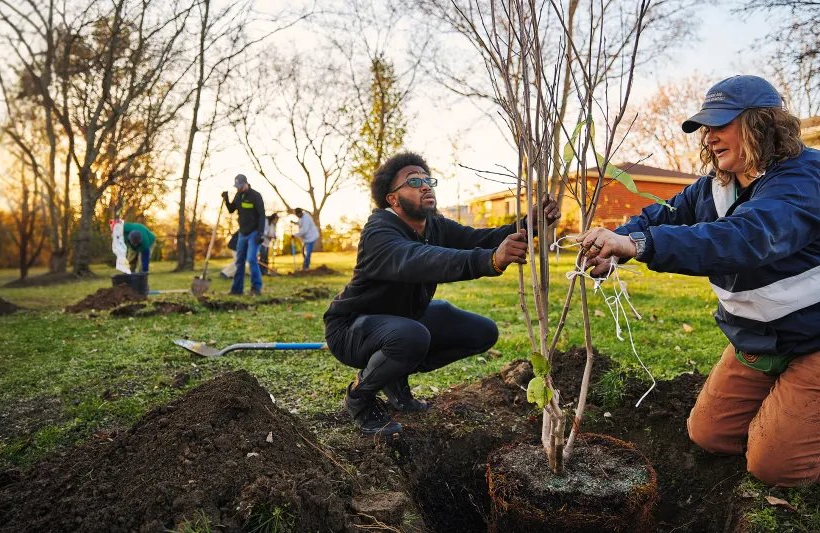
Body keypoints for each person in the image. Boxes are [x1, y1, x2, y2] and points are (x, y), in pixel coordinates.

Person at [576, 75, 820, 487]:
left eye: (721, 125)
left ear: (762, 123)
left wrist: (638, 245)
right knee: (710, 435)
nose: (709, 138)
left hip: (814, 338)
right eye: (705, 128)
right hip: (758, 339)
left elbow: (746, 238)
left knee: (774, 468)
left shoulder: (805, 177)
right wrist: (614, 244)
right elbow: (662, 216)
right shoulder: (717, 186)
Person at [324, 151, 560, 436]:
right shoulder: (379, 231)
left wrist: (528, 224)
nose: (425, 185)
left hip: (402, 321)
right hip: (351, 329)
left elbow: (479, 238)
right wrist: (490, 260)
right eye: (413, 181)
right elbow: (420, 259)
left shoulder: (434, 225)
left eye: (427, 179)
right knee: (411, 336)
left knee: (481, 331)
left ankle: (394, 375)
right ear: (392, 198)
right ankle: (360, 396)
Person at [222, 174, 266, 295]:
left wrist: (261, 233)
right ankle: (237, 289)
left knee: (252, 259)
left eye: (241, 186)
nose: (239, 188)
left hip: (254, 232)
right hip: (243, 232)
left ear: (246, 184)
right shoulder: (238, 196)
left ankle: (256, 288)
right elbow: (231, 210)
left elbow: (262, 215)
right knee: (239, 261)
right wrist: (226, 199)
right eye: (237, 186)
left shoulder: (255, 196)